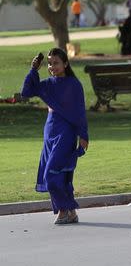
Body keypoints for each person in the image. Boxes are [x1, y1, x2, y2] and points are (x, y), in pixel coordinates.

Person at [21, 48, 89, 224]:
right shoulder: (48, 84)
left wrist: (84, 135)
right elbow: (27, 91)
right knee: (61, 174)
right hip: (49, 132)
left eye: (56, 63)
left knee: (50, 175)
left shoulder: (74, 85)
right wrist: (33, 69)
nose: (52, 66)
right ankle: (70, 212)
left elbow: (80, 112)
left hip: (66, 133)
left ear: (65, 63)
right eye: (50, 63)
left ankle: (63, 209)